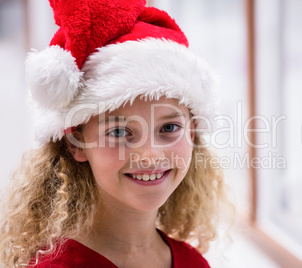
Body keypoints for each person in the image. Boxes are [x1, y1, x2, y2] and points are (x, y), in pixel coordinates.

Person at [0, 0, 229, 267]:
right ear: (77, 144)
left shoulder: (192, 261)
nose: (150, 154)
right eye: (120, 132)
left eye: (168, 128)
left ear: (192, 133)